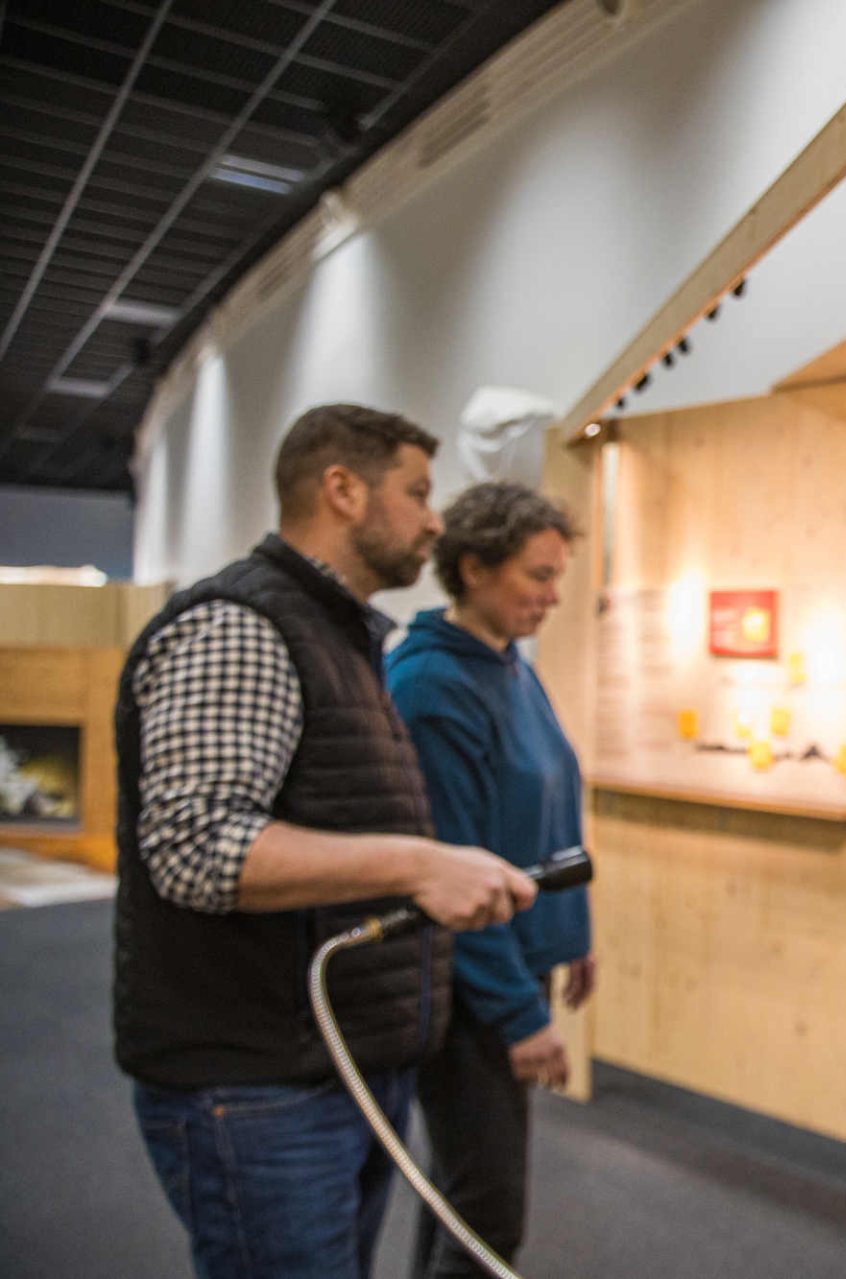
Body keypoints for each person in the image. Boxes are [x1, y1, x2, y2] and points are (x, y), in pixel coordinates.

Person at [116, 404, 538, 1279]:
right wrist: (419, 862)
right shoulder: (243, 624)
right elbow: (200, 846)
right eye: (418, 492)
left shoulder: (340, 638)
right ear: (341, 489)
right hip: (258, 1081)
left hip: (333, 1065)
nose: (434, 518)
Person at [386, 481, 593, 1278]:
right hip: (470, 983)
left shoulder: (508, 666)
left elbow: (548, 811)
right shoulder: (431, 687)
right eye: (536, 576)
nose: (553, 596)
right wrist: (517, 1015)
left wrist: (575, 933)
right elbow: (451, 873)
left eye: (557, 575)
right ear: (473, 567)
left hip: (519, 960)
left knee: (463, 1191)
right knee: (488, 1216)